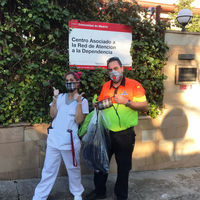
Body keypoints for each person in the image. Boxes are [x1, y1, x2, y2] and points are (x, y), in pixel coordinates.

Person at [84, 57, 148, 200]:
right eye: (110, 70)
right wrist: (97, 104)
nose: (113, 72)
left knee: (124, 168)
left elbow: (145, 107)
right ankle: (100, 191)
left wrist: (128, 102)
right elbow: (101, 103)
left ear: (122, 69)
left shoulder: (134, 85)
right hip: (105, 133)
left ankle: (121, 195)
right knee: (100, 163)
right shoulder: (106, 86)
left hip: (125, 135)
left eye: (116, 68)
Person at [33, 71, 89, 200]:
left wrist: (79, 103)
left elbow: (79, 120)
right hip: (54, 139)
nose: (69, 83)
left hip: (69, 140)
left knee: (73, 168)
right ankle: (40, 196)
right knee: (48, 169)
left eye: (71, 80)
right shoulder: (61, 97)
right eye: (67, 81)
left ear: (77, 83)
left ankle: (77, 192)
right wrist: (54, 98)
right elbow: (52, 115)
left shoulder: (83, 100)